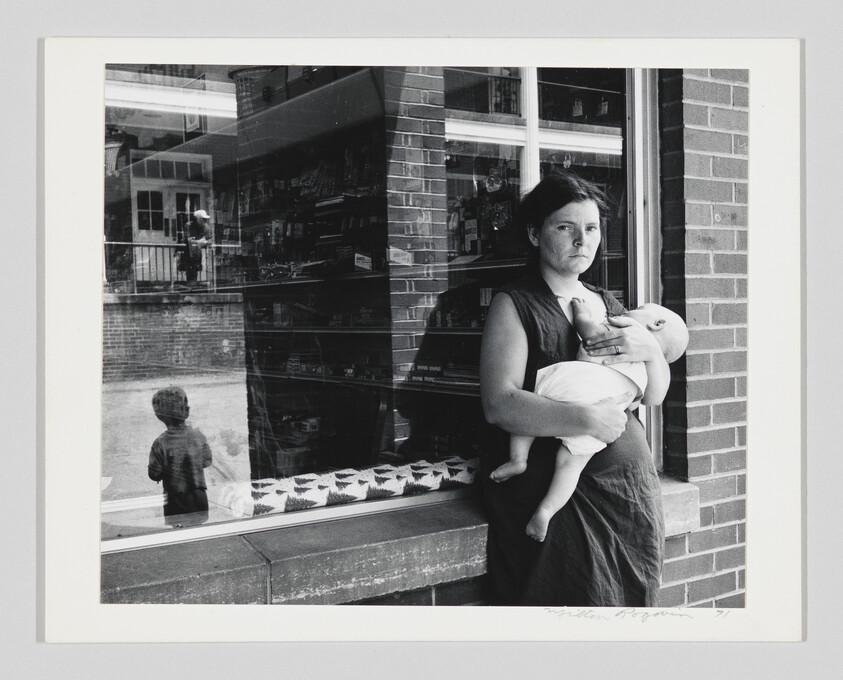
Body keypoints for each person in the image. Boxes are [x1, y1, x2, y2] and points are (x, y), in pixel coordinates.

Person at [479, 170, 670, 606]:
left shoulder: (609, 303)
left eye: (592, 228)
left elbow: (653, 396)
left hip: (629, 495)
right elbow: (499, 404)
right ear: (535, 234)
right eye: (565, 227)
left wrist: (652, 353)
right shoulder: (515, 304)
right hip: (563, 504)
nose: (582, 241)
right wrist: (587, 419)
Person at [492, 299, 689, 542]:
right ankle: (547, 510)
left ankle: (518, 458)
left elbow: (592, 334)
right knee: (570, 465)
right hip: (600, 414)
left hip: (578, 386)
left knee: (534, 406)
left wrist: (581, 315)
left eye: (639, 310)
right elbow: (644, 399)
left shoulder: (629, 328)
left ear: (657, 323)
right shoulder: (646, 369)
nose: (628, 311)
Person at [148, 386, 213, 526]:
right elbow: (207, 461)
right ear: (186, 411)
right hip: (199, 497)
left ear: (159, 415)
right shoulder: (198, 436)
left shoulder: (160, 442)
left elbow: (154, 474)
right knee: (199, 530)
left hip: (175, 500)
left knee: (179, 532)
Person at [177, 209, 213, 283]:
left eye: (206, 219)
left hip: (198, 252)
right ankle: (190, 284)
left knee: (196, 269)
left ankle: (194, 284)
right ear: (198, 219)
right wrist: (200, 241)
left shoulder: (206, 227)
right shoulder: (189, 225)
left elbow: (210, 237)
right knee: (189, 270)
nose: (205, 221)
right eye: (203, 219)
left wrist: (203, 240)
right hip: (188, 251)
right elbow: (188, 238)